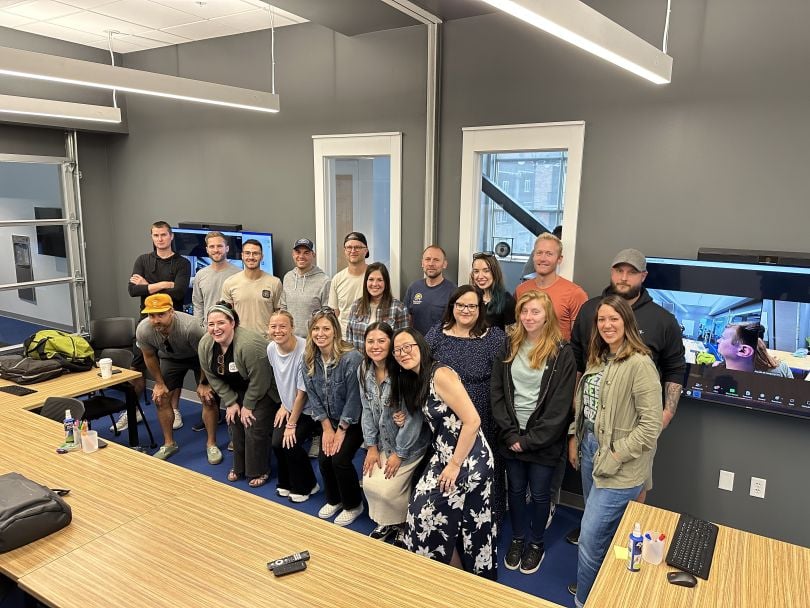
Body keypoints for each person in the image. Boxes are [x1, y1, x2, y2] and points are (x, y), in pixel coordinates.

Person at [564, 249, 685, 565]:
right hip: (593, 434)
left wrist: (666, 413)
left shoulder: (663, 320)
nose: (623, 277)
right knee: (594, 508)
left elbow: (675, 368)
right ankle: (600, 553)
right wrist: (576, 427)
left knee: (631, 502)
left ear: (643, 277)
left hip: (633, 432)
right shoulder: (592, 310)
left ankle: (618, 565)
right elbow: (580, 365)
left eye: (631, 272)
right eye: (618, 271)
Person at [570, 295, 662, 608]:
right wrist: (576, 438)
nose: (607, 325)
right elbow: (587, 407)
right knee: (600, 535)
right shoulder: (599, 357)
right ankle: (604, 587)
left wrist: (616, 454)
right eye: (602, 320)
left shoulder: (640, 364)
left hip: (621, 463)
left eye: (614, 319)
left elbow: (650, 428)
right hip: (590, 449)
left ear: (627, 323)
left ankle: (586, 601)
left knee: (589, 537)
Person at [391, 328, 497, 580]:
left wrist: (454, 464)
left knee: (470, 526)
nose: (403, 353)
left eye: (409, 347)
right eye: (397, 350)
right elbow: (437, 415)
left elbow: (472, 421)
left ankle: (472, 584)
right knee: (420, 514)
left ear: (421, 346)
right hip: (444, 456)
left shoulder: (441, 374)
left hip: (469, 459)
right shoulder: (418, 378)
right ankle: (451, 575)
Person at [491, 291, 577, 575]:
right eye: (525, 311)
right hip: (512, 435)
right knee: (514, 490)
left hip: (544, 440)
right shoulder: (508, 346)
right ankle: (517, 539)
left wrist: (530, 441)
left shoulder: (562, 353)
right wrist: (511, 434)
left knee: (540, 494)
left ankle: (536, 543)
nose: (529, 317)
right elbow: (498, 394)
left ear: (547, 316)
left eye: (535, 312)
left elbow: (561, 406)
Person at [425, 285, 506, 523]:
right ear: (452, 307)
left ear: (480, 309)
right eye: (460, 305)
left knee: (481, 470)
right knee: (449, 466)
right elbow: (421, 368)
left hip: (482, 412)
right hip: (444, 416)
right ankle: (450, 518)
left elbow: (505, 379)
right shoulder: (438, 333)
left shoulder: (494, 337)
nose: (465, 310)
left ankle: (485, 520)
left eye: (472, 305)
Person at [360, 322, 430, 543]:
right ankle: (388, 521)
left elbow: (414, 418)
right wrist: (371, 446)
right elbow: (366, 410)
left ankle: (403, 524)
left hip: (409, 442)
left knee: (388, 488)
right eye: (370, 341)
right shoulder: (363, 370)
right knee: (370, 482)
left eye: (382, 341)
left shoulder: (403, 369)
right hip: (383, 440)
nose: (375, 346)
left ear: (391, 344)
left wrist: (399, 453)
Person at [118, 220, 191, 433]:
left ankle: (175, 409)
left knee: (173, 367)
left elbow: (179, 293)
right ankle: (135, 409)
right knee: (136, 367)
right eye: (156, 235)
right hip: (146, 322)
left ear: (171, 237)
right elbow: (132, 290)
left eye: (164, 235)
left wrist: (147, 285)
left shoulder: (182, 263)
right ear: (152, 237)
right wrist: (163, 284)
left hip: (173, 321)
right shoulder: (143, 260)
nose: (160, 239)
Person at [198, 302, 278, 487]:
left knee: (252, 424)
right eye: (211, 324)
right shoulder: (205, 344)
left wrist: (248, 406)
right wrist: (231, 402)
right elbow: (211, 375)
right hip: (236, 389)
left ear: (232, 323)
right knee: (234, 421)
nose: (215, 329)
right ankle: (240, 467)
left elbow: (261, 380)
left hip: (265, 390)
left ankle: (259, 470)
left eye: (221, 323)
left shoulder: (250, 344)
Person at [134, 293, 219, 462]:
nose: (156, 320)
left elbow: (206, 355)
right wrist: (158, 383)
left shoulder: (191, 327)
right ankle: (169, 443)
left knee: (208, 397)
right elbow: (149, 356)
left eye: (161, 314)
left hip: (198, 358)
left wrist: (204, 383)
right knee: (160, 398)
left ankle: (211, 444)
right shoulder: (144, 330)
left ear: (171, 311)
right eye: (151, 315)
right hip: (170, 358)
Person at [302, 307, 365, 526]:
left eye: (326, 328)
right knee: (323, 459)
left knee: (339, 459)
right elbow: (313, 396)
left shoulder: (352, 358)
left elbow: (354, 399)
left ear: (335, 331)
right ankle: (335, 499)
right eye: (316, 329)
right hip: (328, 421)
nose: (320, 333)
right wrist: (327, 429)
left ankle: (353, 504)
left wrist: (341, 431)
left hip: (353, 420)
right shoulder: (309, 359)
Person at [266, 310, 320, 502]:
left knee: (291, 443)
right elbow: (281, 380)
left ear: (292, 328)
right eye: (273, 326)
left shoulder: (305, 351)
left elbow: (302, 393)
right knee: (276, 443)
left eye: (283, 326)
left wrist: (291, 424)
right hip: (289, 406)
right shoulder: (271, 348)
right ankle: (287, 482)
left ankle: (305, 486)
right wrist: (283, 405)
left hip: (310, 409)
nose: (278, 330)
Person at [189, 231, 240, 432]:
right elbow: (197, 304)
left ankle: (234, 421)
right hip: (208, 335)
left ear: (227, 248)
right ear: (207, 249)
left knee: (232, 379)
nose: (216, 250)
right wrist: (202, 329)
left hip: (230, 336)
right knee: (208, 378)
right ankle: (210, 415)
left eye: (220, 246)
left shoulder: (237, 274)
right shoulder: (201, 275)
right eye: (212, 247)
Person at [515, 232, 587, 341]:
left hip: (558, 356)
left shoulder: (575, 293)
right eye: (539, 253)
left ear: (559, 259)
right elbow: (519, 329)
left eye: (549, 254)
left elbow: (579, 340)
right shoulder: (521, 290)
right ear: (533, 256)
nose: (543, 258)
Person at [221, 239, 282, 337]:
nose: (251, 257)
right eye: (247, 253)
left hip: (266, 341)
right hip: (239, 340)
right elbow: (226, 315)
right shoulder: (230, 283)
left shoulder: (275, 283)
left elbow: (279, 314)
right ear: (242, 256)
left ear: (262, 257)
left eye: (255, 253)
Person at [345, 262, 409, 352]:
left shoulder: (399, 308)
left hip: (387, 364)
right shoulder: (356, 306)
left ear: (386, 283)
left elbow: (404, 342)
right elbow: (349, 340)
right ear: (366, 282)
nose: (375, 284)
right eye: (371, 279)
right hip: (359, 363)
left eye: (379, 280)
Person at [279, 238, 331, 339]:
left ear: (313, 255)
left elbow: (327, 316)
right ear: (293, 254)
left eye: (306, 253)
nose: (301, 256)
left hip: (313, 340)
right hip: (290, 339)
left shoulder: (324, 281)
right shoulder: (288, 277)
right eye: (298, 252)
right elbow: (283, 308)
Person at [403, 245, 456, 335]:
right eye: (427, 259)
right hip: (417, 345)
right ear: (422, 263)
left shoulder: (453, 291)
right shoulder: (413, 287)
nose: (431, 263)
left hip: (441, 346)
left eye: (436, 260)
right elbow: (407, 319)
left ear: (444, 264)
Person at [328, 231, 369, 336]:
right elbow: (335, 313)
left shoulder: (375, 278)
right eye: (349, 247)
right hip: (344, 339)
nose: (353, 251)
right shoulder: (337, 279)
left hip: (370, 338)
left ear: (366, 250)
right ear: (344, 251)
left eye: (357, 247)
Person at [716, 322, 794, 377]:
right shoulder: (782, 367)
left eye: (723, 338)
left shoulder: (716, 371)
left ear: (744, 350)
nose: (718, 340)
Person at [470, 251, 516, 329]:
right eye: (476, 271)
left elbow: (512, 337)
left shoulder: (507, 301)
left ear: (495, 273)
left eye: (486, 271)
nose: (480, 276)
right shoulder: (471, 296)